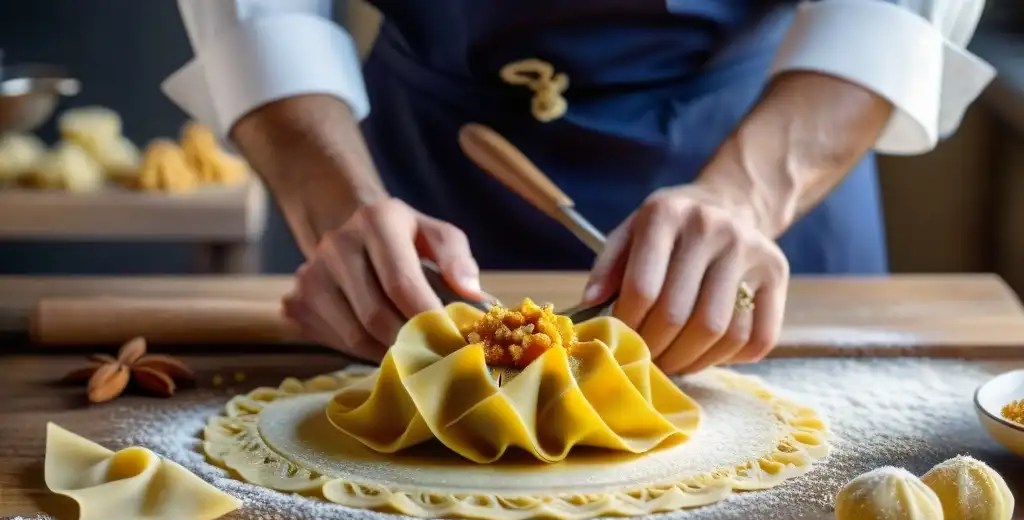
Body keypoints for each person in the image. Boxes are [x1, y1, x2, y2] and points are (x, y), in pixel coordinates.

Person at [164, 0, 993, 373]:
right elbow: (263, 12)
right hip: (416, 170)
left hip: (763, 163)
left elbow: (890, 11)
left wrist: (743, 198)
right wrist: (337, 204)